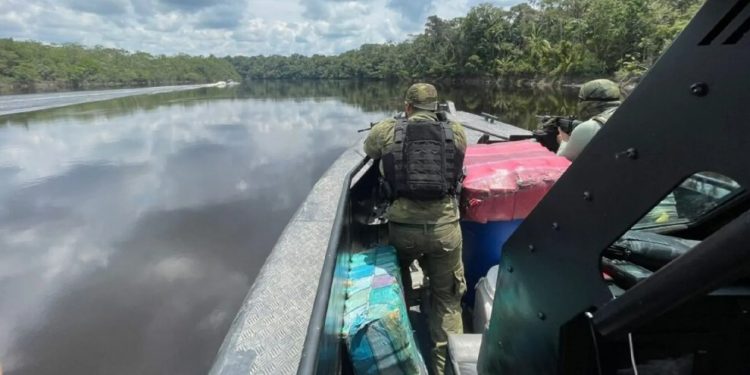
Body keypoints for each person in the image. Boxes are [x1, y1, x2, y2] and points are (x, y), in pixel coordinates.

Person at [363, 83, 467, 375]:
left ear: (407, 106)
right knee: (447, 300)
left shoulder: (386, 129)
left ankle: (406, 354)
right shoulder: (456, 131)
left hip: (402, 227)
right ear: (435, 107)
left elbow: (369, 150)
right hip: (444, 228)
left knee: (399, 290)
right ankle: (446, 368)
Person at [557, 79, 622, 161]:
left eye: (580, 99)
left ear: (586, 102)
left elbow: (563, 162)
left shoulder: (589, 128)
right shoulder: (627, 115)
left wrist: (564, 141)